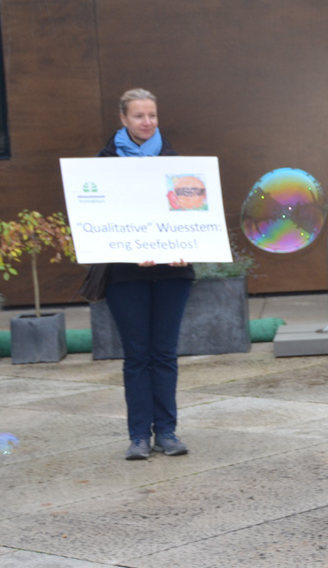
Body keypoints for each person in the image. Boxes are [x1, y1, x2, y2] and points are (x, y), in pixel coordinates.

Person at [98, 88, 195, 460]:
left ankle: (167, 432)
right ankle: (139, 436)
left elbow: (190, 216)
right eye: (139, 116)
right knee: (137, 355)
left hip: (173, 273)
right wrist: (129, 248)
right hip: (126, 275)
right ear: (123, 119)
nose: (147, 122)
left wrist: (185, 247)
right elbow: (101, 220)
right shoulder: (104, 163)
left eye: (152, 115)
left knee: (165, 353)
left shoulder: (176, 163)